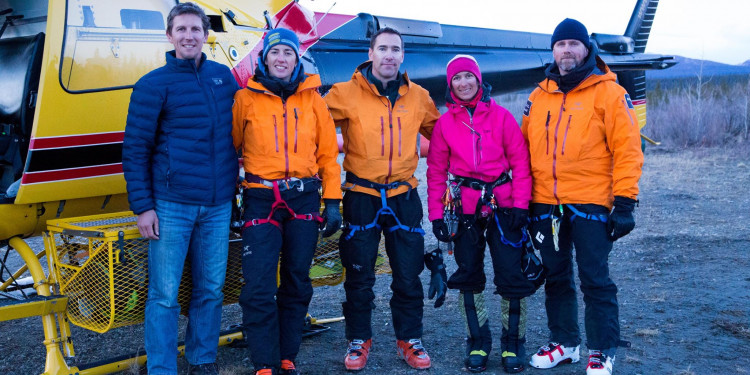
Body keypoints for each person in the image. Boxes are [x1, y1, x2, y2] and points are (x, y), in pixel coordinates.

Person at [122, 3, 239, 374]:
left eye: (196, 29)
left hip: (218, 205)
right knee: (164, 295)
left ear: (206, 35)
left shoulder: (224, 78)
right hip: (171, 205)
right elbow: (135, 149)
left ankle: (202, 359)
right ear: (169, 36)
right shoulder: (152, 84)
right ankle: (161, 367)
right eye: (181, 29)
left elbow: (239, 136)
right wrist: (143, 207)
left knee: (210, 289)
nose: (189, 36)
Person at [521, 18, 643, 375]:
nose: (567, 50)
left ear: (586, 49)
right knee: (556, 276)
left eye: (574, 44)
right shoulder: (538, 95)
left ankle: (602, 349)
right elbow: (523, 150)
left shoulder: (610, 93)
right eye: (561, 45)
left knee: (594, 278)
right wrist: (520, 199)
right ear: (553, 51)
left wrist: (625, 202)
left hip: (591, 203)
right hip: (546, 204)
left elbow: (628, 149)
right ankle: (566, 343)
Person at [324, 27, 442, 371]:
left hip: (404, 196)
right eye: (383, 49)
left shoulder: (418, 96)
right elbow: (310, 128)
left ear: (402, 56)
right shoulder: (343, 93)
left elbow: (445, 137)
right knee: (359, 274)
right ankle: (359, 339)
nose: (389, 55)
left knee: (407, 273)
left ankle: (410, 338)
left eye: (396, 49)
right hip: (362, 195)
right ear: (371, 53)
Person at [232, 28, 342, 375]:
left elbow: (327, 155)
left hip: (304, 198)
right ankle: (264, 361)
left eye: (288, 54)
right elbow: (229, 150)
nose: (281, 59)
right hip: (261, 197)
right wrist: (230, 197)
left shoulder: (313, 100)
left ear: (297, 59)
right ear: (265, 58)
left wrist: (334, 201)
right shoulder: (245, 99)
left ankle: (286, 355)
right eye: (275, 53)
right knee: (259, 283)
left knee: (297, 279)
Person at [426, 55, 535, 374]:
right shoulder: (446, 124)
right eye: (456, 79)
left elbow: (521, 165)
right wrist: (436, 215)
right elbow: (435, 171)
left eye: (468, 77)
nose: (463, 83)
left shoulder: (502, 118)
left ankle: (513, 343)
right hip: (464, 208)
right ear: (450, 85)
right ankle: (478, 340)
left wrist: (520, 205)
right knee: (468, 275)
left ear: (478, 80)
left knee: (511, 276)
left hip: (503, 203)